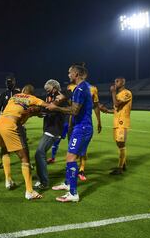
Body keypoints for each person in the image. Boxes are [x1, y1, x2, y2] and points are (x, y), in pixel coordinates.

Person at [47, 63, 93, 202]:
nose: (68, 75)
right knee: (69, 155)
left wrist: (56, 108)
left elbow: (74, 111)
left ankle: (73, 194)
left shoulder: (80, 89)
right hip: (79, 127)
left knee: (71, 158)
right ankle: (67, 184)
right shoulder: (81, 87)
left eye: (69, 73)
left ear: (76, 74)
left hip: (83, 128)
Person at [0, 84, 50, 200]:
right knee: (25, 159)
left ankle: (8, 180)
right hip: (10, 125)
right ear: (31, 93)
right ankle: (29, 191)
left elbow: (21, 110)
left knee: (5, 151)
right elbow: (47, 106)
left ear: (22, 90)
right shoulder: (32, 98)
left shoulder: (13, 97)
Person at [34, 79, 67, 190]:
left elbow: (50, 107)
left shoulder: (61, 96)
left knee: (39, 152)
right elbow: (46, 109)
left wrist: (36, 110)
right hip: (48, 127)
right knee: (40, 153)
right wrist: (41, 112)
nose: (47, 91)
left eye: (48, 89)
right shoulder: (49, 96)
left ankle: (43, 181)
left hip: (54, 129)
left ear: (54, 87)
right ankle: (41, 179)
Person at [100, 77, 132, 175]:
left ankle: (120, 168)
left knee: (120, 143)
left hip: (123, 122)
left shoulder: (127, 93)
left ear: (123, 82)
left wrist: (113, 92)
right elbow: (116, 110)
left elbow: (117, 104)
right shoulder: (118, 94)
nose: (115, 83)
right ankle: (123, 164)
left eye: (117, 81)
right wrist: (106, 110)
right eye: (115, 82)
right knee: (118, 143)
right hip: (116, 122)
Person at [0, 76, 21, 168]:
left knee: (20, 143)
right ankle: (4, 162)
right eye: (7, 82)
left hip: (17, 122)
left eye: (10, 82)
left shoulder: (19, 94)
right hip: (5, 123)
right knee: (4, 145)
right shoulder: (3, 94)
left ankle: (26, 162)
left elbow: (26, 106)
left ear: (14, 83)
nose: (8, 84)